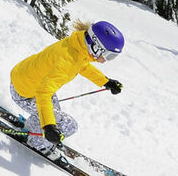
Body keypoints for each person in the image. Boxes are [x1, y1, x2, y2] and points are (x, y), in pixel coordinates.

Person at [9, 21, 127, 155]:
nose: (106, 60)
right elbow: (43, 93)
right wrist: (48, 127)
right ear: (96, 47)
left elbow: (82, 65)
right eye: (109, 55)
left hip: (26, 77)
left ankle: (33, 128)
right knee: (68, 125)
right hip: (26, 93)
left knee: (54, 115)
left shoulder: (78, 46)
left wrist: (105, 82)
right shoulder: (67, 60)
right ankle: (37, 143)